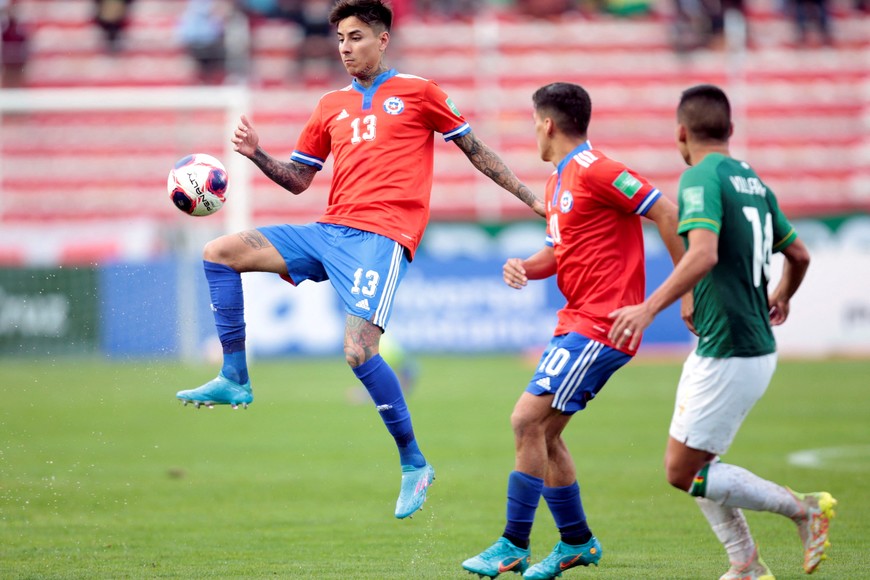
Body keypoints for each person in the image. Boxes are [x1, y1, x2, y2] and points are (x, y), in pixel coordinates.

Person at [175, 0, 544, 521]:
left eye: (356, 37)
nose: (346, 48)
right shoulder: (330, 105)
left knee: (357, 351)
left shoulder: (419, 92)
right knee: (220, 252)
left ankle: (414, 462)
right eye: (341, 40)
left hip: (381, 239)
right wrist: (258, 153)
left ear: (383, 38)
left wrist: (531, 199)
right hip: (329, 232)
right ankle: (235, 376)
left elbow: (476, 151)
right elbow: (299, 181)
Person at [608, 84, 835, 579]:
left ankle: (804, 509)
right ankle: (745, 565)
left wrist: (649, 308)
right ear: (730, 130)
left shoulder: (699, 178)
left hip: (731, 344)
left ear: (681, 133)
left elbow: (704, 252)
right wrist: (783, 294)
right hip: (736, 340)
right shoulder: (752, 181)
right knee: (697, 463)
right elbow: (799, 255)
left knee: (682, 471)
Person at [462, 82, 685, 579]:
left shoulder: (598, 170)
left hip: (605, 323)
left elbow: (666, 211)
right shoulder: (557, 181)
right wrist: (526, 265)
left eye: (533, 123)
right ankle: (576, 542)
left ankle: (513, 544)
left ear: (547, 124)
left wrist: (682, 292)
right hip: (576, 320)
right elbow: (559, 252)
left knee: (526, 421)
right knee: (547, 433)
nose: (533, 133)